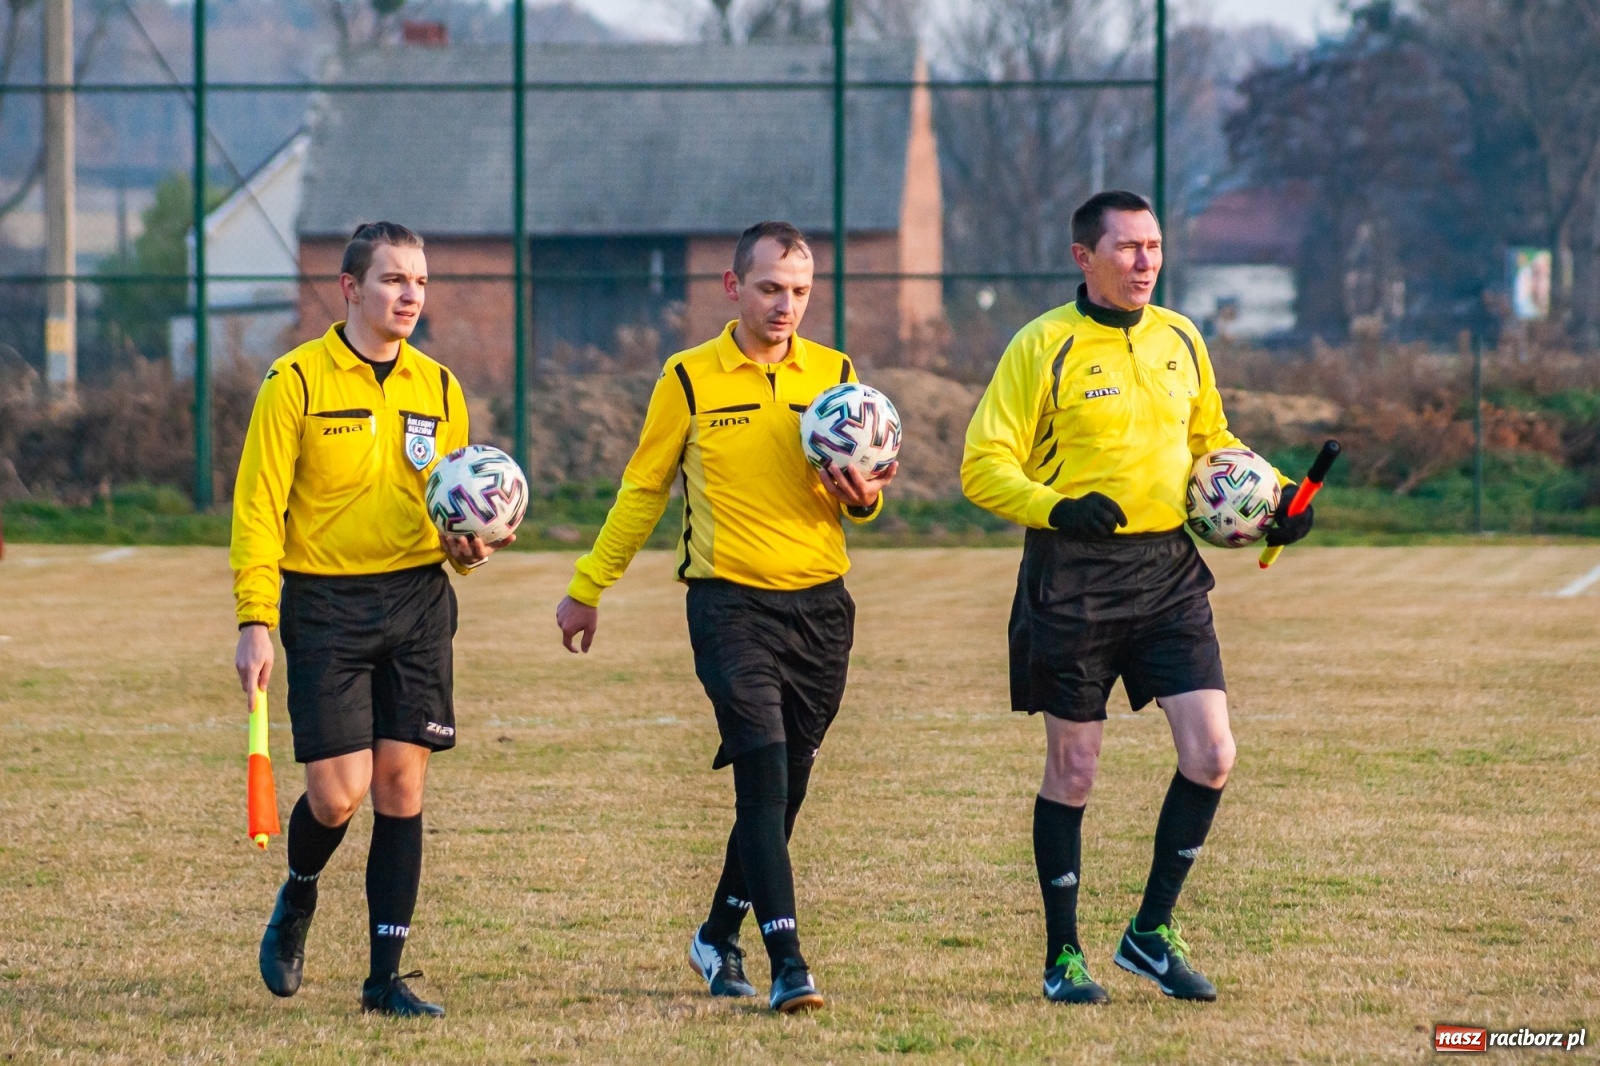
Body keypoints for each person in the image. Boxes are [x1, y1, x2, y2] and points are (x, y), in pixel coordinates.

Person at [960, 191, 1314, 1005]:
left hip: (1168, 574)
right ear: (1084, 257)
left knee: (1212, 753)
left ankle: (1150, 933)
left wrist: (1279, 504)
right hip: (1071, 575)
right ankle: (1063, 956)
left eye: (1154, 246)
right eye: (1127, 248)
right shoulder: (1041, 344)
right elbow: (982, 465)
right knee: (1074, 768)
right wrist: (1057, 506)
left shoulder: (1182, 338)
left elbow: (1213, 445)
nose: (1146, 261)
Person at [554, 221, 896, 1013]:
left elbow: (860, 493)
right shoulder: (688, 378)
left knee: (790, 787)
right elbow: (642, 493)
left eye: (801, 292)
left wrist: (868, 499)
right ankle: (790, 963)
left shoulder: (836, 374)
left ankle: (716, 933)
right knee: (765, 772)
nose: (786, 306)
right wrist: (588, 585)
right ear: (732, 287)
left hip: (822, 608)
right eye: (772, 288)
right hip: (728, 605)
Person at [231, 221, 511, 1018]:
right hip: (323, 605)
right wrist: (256, 618)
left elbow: (449, 509)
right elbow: (258, 511)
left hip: (419, 600)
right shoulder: (297, 382)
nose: (410, 295)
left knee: (400, 783)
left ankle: (385, 979)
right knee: (336, 796)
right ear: (350, 288)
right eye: (393, 280)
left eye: (419, 281)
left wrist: (471, 547)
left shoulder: (440, 387)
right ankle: (300, 891)